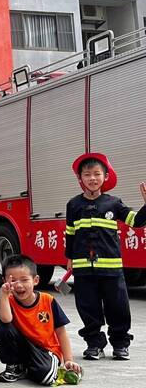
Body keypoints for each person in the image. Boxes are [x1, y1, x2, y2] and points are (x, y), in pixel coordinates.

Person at [65, 152, 146, 360]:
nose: (92, 178)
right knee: (88, 307)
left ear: (106, 176)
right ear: (80, 179)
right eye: (87, 174)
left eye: (97, 174)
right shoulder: (73, 205)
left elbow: (135, 222)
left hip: (111, 268)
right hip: (83, 268)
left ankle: (120, 344)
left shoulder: (114, 203)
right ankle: (94, 344)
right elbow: (70, 234)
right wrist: (69, 259)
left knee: (118, 307)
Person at [0, 255, 82, 385]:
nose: (18, 285)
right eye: (13, 280)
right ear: (4, 281)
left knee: (46, 378)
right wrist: (4, 295)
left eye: (24, 280)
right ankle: (14, 367)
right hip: (25, 345)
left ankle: (28, 367)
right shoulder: (9, 300)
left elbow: (61, 332)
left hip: (46, 351)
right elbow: (5, 321)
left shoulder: (48, 300)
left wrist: (68, 360)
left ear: (35, 280)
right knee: (2, 329)